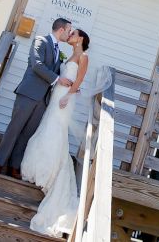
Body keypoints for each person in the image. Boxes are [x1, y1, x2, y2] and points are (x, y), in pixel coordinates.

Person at [21, 29, 90, 237]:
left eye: (73, 33)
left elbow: (79, 80)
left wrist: (68, 96)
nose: (70, 35)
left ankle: (49, 172)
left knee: (55, 129)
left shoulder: (84, 57)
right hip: (57, 95)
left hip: (65, 99)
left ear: (81, 39)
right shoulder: (70, 55)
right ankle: (40, 166)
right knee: (47, 126)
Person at [0, 18, 73, 178]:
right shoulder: (40, 41)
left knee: (27, 134)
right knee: (14, 129)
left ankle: (14, 166)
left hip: (43, 100)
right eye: (69, 30)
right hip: (28, 93)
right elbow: (37, 65)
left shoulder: (58, 51)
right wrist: (57, 79)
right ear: (61, 29)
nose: (69, 34)